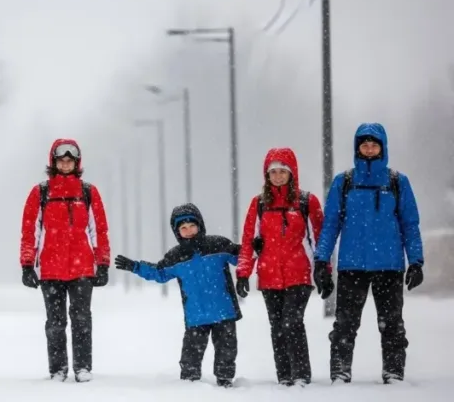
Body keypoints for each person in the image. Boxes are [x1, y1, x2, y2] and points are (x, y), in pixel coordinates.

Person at [313, 122, 424, 385]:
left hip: (389, 266)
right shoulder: (345, 182)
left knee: (393, 325)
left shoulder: (397, 182)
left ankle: (394, 371)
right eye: (365, 145)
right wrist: (321, 261)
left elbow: (410, 224)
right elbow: (330, 225)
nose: (370, 149)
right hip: (353, 266)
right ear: (357, 148)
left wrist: (416, 261)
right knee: (345, 325)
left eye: (374, 145)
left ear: (382, 147)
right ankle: (340, 370)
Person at [114, 203, 241, 388]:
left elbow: (241, 256)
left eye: (192, 226)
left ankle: (225, 380)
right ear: (177, 231)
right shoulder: (176, 256)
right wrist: (135, 266)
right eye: (183, 228)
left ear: (200, 225)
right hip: (196, 316)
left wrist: (256, 246)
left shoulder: (218, 245)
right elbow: (159, 272)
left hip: (224, 311)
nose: (189, 231)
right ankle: (188, 384)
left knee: (227, 350)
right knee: (191, 353)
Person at [19, 138, 111, 383]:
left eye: (70, 160)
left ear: (77, 163)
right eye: (62, 159)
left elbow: (98, 230)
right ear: (54, 162)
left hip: (82, 268)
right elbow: (31, 231)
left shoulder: (88, 192)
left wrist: (102, 264)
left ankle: (82, 367)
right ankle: (58, 369)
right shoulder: (41, 192)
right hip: (51, 269)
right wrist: (27, 264)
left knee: (82, 320)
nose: (66, 163)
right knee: (55, 323)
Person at [235, 147, 326, 387]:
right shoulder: (259, 204)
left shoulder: (307, 202)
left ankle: (301, 375)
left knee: (291, 323)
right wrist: (243, 273)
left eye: (282, 171)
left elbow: (320, 240)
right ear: (266, 175)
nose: (277, 176)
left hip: (299, 274)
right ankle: (285, 376)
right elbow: (248, 241)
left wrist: (323, 272)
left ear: (292, 173)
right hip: (269, 276)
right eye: (273, 172)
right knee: (277, 327)